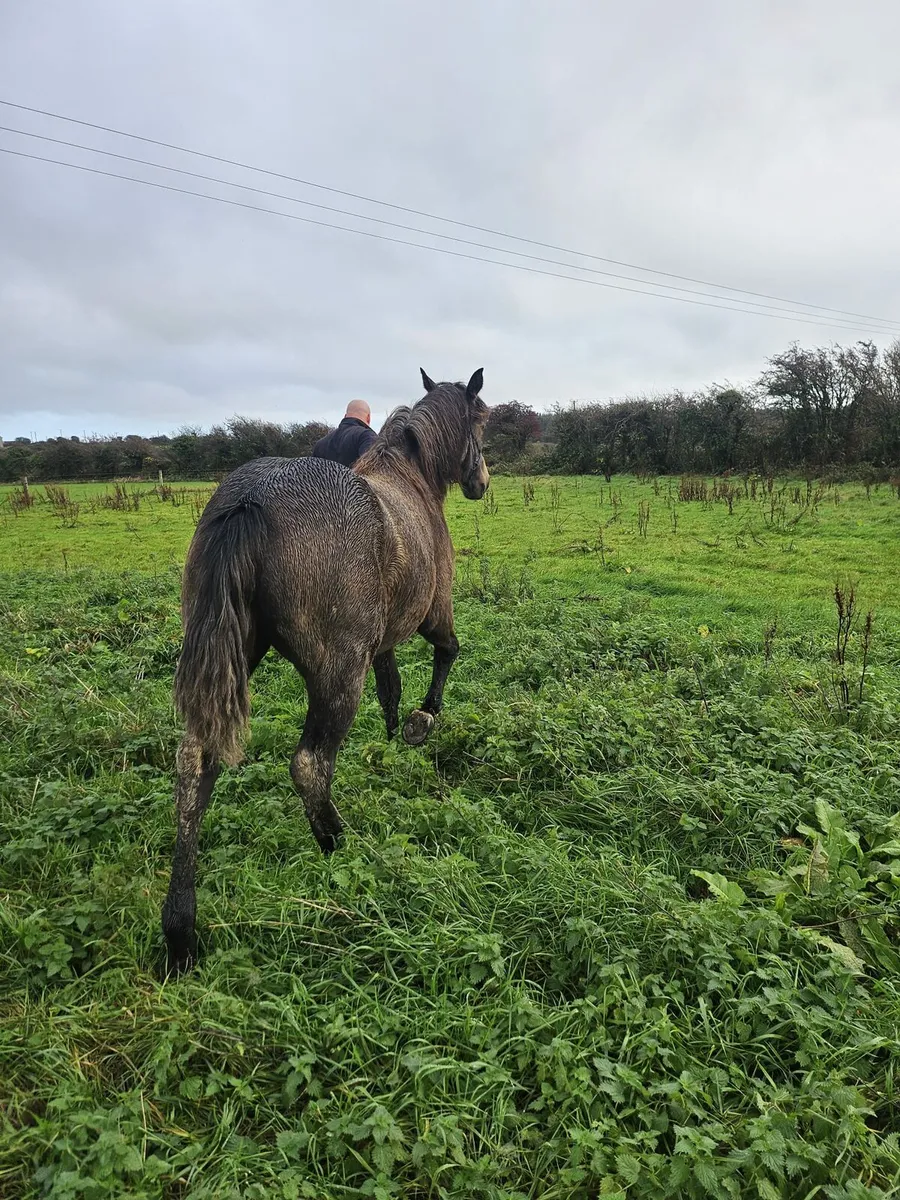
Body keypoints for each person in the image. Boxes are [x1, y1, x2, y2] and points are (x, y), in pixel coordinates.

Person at [311, 400, 378, 468]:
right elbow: (372, 470)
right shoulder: (367, 436)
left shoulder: (320, 444)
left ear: (345, 416)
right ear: (368, 418)